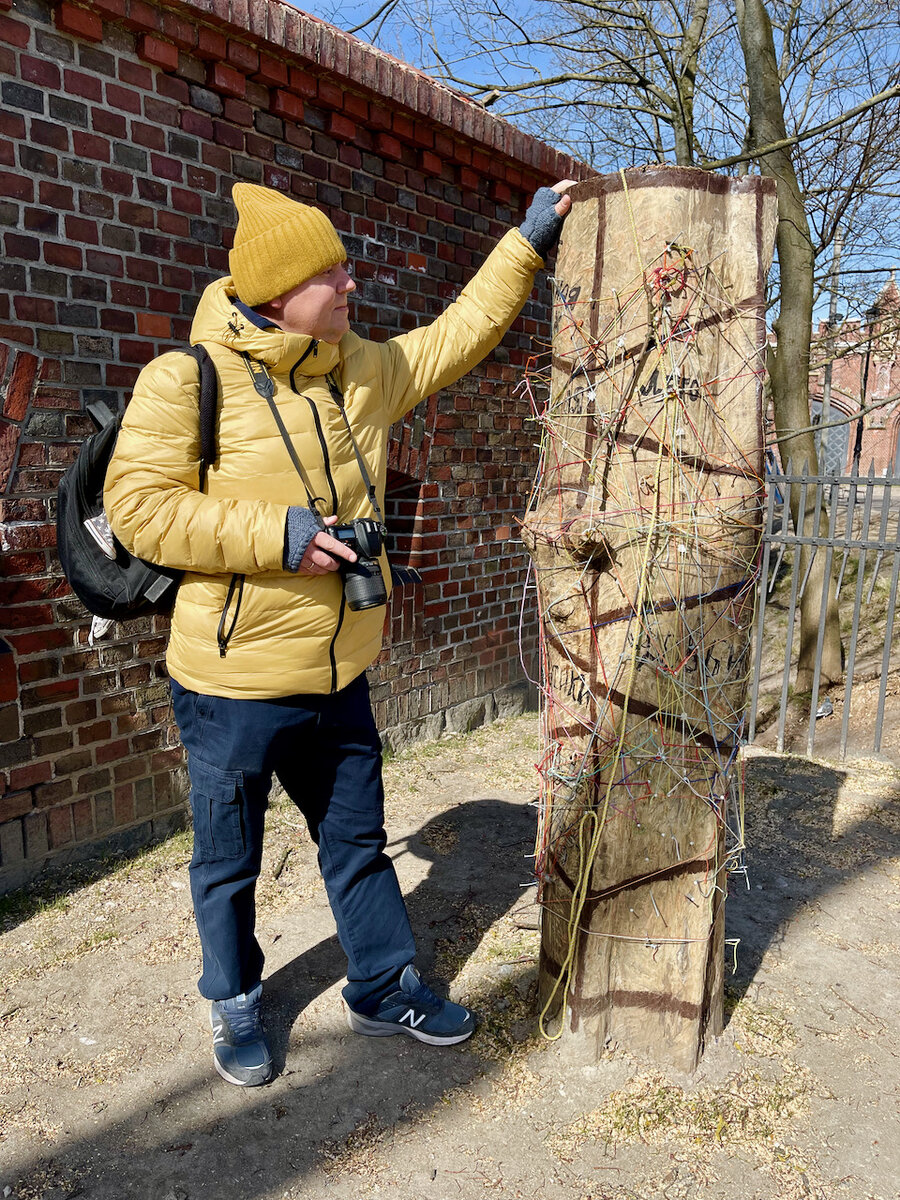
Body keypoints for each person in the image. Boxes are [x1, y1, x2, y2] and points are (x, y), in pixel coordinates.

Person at [104, 177, 575, 1087]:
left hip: (338, 673)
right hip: (230, 683)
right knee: (228, 860)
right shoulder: (186, 380)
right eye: (333, 273)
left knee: (356, 840)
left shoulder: (361, 371)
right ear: (280, 293)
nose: (351, 285)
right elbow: (138, 510)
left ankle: (381, 984)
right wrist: (277, 538)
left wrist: (527, 242)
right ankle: (234, 998)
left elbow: (455, 337)